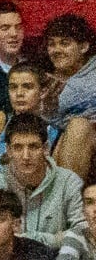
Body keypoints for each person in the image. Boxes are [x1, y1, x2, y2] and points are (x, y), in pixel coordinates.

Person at [0, 112, 80, 248]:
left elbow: (84, 233)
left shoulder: (68, 181)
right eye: (18, 148)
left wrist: (31, 239)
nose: (26, 156)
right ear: (8, 151)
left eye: (33, 147)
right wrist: (56, 239)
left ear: (45, 148)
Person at [0, 61, 54, 179]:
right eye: (13, 87)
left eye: (27, 87)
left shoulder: (54, 131)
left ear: (43, 92)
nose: (19, 93)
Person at [45, 13, 96, 184]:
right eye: (52, 44)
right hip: (57, 144)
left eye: (65, 43)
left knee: (78, 127)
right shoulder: (45, 79)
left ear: (84, 46)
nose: (56, 50)